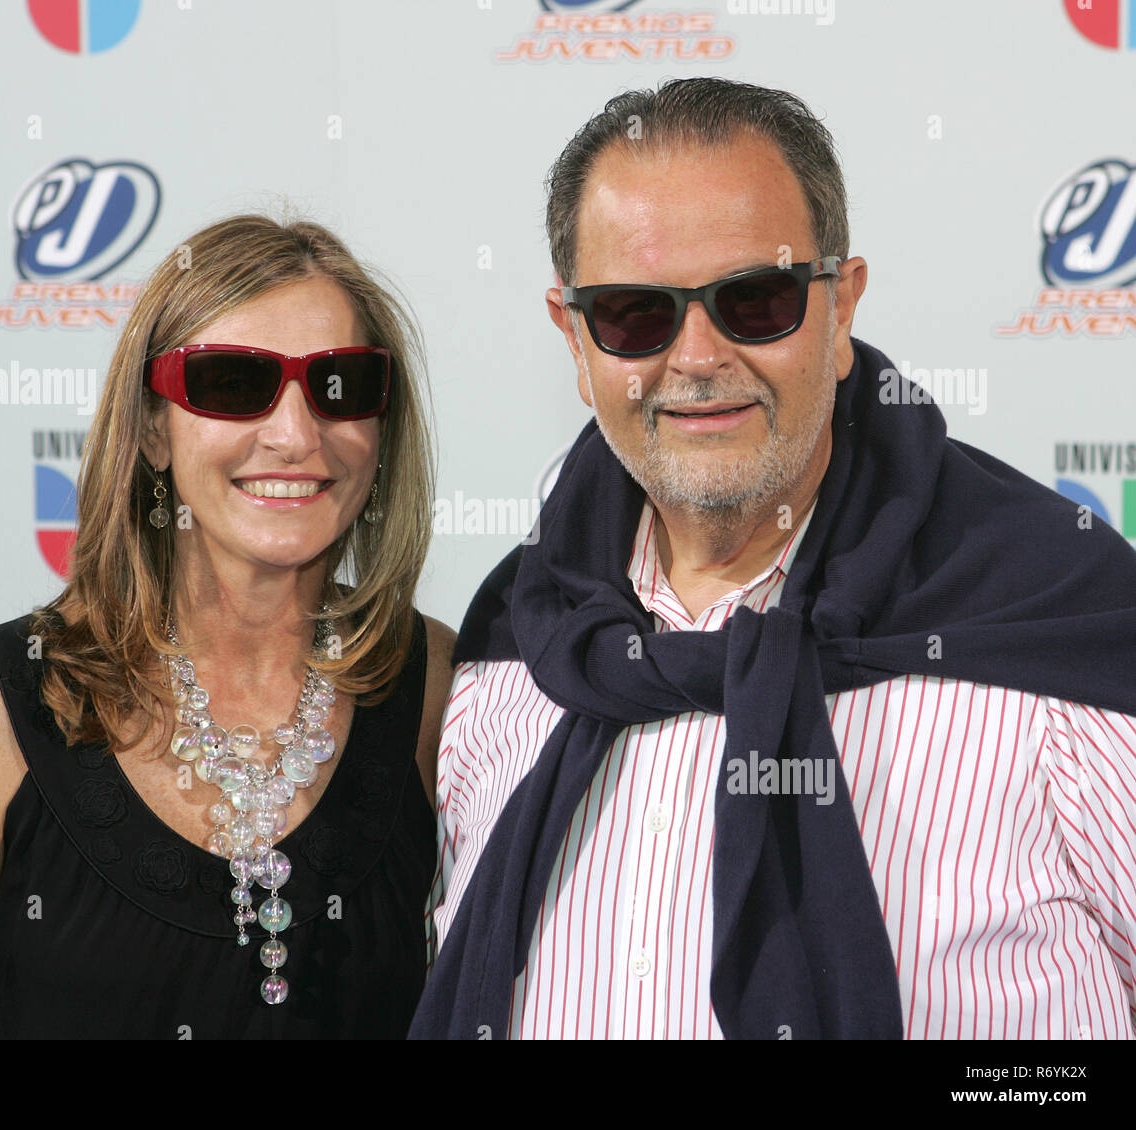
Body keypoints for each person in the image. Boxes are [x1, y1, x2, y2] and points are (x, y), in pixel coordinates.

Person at [414, 78, 1136, 1040]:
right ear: (576, 342)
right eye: (636, 312)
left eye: (756, 301)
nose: (700, 356)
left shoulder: (1054, 633)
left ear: (840, 310)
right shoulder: (511, 649)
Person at [0, 214, 455, 1039]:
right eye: (234, 385)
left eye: (340, 385)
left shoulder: (437, 690)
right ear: (150, 429)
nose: (295, 434)